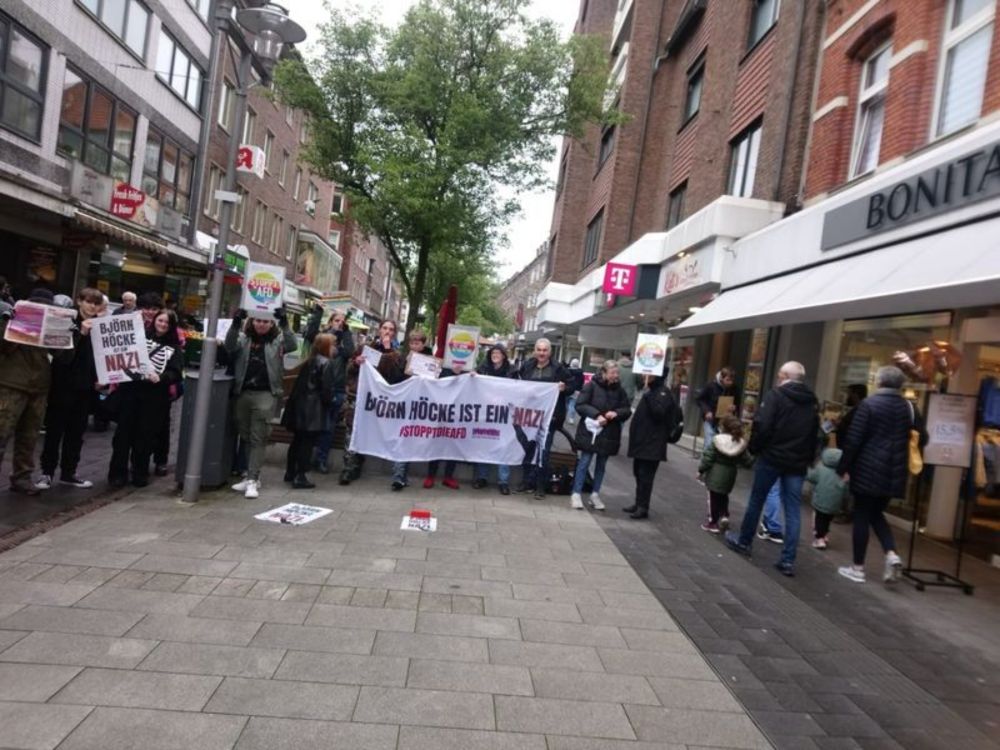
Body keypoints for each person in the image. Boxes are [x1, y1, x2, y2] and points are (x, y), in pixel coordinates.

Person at [725, 361, 818, 577]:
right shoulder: (811, 401)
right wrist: (808, 458)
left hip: (773, 457)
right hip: (797, 462)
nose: (777, 378)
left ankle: (744, 541)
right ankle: (787, 560)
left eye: (779, 375)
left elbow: (763, 426)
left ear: (785, 376)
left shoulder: (775, 396)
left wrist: (756, 448)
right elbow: (814, 433)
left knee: (757, 499)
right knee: (793, 510)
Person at [836, 366, 917, 584]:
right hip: (894, 470)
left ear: (879, 382)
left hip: (867, 468)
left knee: (862, 514)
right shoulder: (908, 407)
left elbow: (853, 440)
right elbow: (922, 437)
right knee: (876, 513)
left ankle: (858, 568)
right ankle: (891, 554)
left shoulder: (868, 405)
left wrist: (843, 468)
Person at [36, 288, 104, 490]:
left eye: (95, 303)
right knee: (55, 431)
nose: (92, 306)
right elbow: (62, 357)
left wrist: (101, 378)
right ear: (79, 301)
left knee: (76, 433)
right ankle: (46, 472)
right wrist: (80, 334)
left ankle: (69, 472)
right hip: (62, 386)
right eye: (88, 302)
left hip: (85, 388)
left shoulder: (98, 327)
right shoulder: (66, 321)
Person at [225, 307, 297, 499]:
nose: (261, 324)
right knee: (246, 436)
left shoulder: (277, 340)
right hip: (243, 393)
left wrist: (285, 322)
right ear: (252, 321)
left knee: (259, 437)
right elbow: (229, 345)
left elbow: (292, 345)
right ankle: (250, 476)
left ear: (272, 323)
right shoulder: (243, 338)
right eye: (257, 320)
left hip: (266, 394)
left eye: (265, 321)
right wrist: (235, 323)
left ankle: (252, 479)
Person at [108, 309, 184, 488]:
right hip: (130, 393)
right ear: (155, 321)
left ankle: (139, 473)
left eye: (167, 322)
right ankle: (117, 474)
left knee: (145, 437)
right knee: (122, 436)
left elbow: (176, 373)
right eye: (161, 320)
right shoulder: (137, 337)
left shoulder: (175, 349)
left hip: (154, 398)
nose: (163, 324)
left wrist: (162, 378)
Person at [0, 289, 57, 495]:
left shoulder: (51, 323)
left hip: (39, 386)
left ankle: (22, 478)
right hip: (11, 384)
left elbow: (64, 356)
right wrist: (12, 324)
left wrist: (69, 333)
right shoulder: (10, 318)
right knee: (1, 433)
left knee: (29, 436)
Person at [340, 319, 405, 485]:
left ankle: (362, 461)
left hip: (380, 401)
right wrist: (356, 363)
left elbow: (397, 376)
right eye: (385, 328)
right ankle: (349, 467)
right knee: (352, 429)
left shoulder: (397, 353)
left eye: (391, 329)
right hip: (359, 396)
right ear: (379, 330)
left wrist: (389, 350)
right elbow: (349, 369)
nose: (387, 332)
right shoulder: (365, 348)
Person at [514, 338, 574, 499]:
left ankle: (540, 486)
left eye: (545, 350)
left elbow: (573, 385)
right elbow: (516, 382)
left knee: (543, 452)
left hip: (548, 418)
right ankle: (527, 482)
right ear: (535, 351)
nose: (541, 353)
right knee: (527, 448)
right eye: (539, 350)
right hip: (529, 415)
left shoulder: (558, 368)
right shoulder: (527, 366)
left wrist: (564, 388)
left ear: (550, 352)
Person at [569, 360, 631, 511]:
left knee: (601, 465)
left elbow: (627, 409)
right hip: (591, 430)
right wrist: (596, 415)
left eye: (617, 373)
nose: (615, 376)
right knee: (585, 461)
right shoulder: (591, 386)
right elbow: (580, 405)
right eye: (612, 373)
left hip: (609, 432)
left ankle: (595, 494)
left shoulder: (620, 390)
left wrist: (616, 413)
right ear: (604, 373)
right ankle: (576, 493)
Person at [282, 333, 336, 489]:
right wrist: (330, 401)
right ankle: (301, 476)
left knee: (297, 441)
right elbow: (326, 390)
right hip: (313, 409)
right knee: (307, 443)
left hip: (299, 406)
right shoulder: (326, 363)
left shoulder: (309, 361)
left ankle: (290, 472)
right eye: (333, 345)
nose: (335, 348)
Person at [304, 306, 354, 474]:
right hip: (317, 389)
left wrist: (344, 332)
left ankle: (321, 460)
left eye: (342, 322)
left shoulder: (343, 343)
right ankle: (308, 458)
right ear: (331, 321)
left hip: (336, 390)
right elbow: (310, 334)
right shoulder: (322, 340)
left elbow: (350, 352)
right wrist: (317, 312)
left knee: (328, 427)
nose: (340, 324)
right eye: (337, 320)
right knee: (312, 426)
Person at [624, 375, 678, 519]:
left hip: (652, 443)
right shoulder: (651, 392)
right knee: (638, 473)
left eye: (648, 375)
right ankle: (638, 502)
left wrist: (648, 397)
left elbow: (658, 413)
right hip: (642, 442)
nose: (644, 377)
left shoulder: (663, 393)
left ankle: (643, 507)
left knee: (645, 476)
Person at [391, 329, 434, 491]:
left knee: (409, 439)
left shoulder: (430, 360)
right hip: (406, 403)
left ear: (423, 344)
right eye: (412, 343)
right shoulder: (404, 358)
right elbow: (396, 379)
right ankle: (398, 477)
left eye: (417, 343)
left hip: (421, 404)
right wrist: (405, 365)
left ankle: (402, 476)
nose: (414, 346)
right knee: (403, 437)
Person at [697, 415, 753, 533]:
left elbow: (708, 458)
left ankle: (713, 523)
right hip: (730, 474)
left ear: (723, 427)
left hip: (715, 473)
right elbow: (747, 461)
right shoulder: (740, 442)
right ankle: (724, 515)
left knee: (713, 498)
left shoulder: (717, 440)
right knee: (723, 495)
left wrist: (701, 470)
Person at [473, 343, 514, 494]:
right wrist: (473, 377)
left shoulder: (511, 371)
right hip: (485, 413)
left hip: (503, 415)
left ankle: (503, 481)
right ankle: (482, 477)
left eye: (498, 352)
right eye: (493, 353)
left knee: (503, 446)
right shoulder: (483, 369)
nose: (495, 355)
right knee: (484, 443)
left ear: (503, 355)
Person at [424, 359, 471, 490]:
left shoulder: (468, 368)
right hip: (441, 411)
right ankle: (430, 475)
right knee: (436, 442)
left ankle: (448, 476)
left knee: (454, 444)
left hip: (457, 414)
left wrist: (471, 375)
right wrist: (452, 372)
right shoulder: (442, 366)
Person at [807, 446, 847, 550]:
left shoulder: (820, 469)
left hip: (820, 501)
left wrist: (808, 468)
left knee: (819, 519)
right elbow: (846, 490)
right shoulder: (842, 473)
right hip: (834, 505)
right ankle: (824, 535)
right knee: (827, 520)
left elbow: (810, 477)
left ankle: (819, 539)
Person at [697, 367, 739, 447]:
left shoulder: (734, 389)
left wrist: (734, 407)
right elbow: (700, 399)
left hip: (725, 421)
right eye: (728, 380)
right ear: (721, 378)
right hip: (711, 419)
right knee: (709, 442)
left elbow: (737, 404)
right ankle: (706, 459)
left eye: (732, 380)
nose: (730, 383)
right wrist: (707, 411)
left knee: (721, 445)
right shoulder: (711, 386)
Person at [835, 384, 868, 450]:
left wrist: (840, 424)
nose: (847, 397)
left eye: (849, 394)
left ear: (855, 395)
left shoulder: (860, 410)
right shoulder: (859, 408)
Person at [565, 357, 584, 425]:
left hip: (567, 389)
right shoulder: (581, 373)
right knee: (572, 405)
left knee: (565, 404)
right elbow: (582, 382)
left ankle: (564, 416)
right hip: (576, 391)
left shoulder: (567, 371)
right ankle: (571, 419)